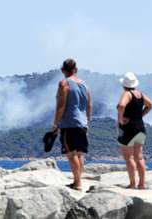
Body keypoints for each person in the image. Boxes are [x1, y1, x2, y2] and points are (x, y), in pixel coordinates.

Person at [52, 58, 92, 191]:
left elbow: (61, 105)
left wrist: (55, 123)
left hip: (69, 123)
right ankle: (77, 181)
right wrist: (88, 121)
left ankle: (78, 183)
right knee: (79, 154)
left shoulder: (64, 83)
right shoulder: (85, 85)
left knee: (71, 153)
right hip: (82, 123)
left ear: (63, 70)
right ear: (76, 69)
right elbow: (89, 105)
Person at [117, 72, 152, 189]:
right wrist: (141, 115)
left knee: (129, 158)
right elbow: (150, 105)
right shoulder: (140, 94)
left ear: (124, 85)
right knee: (139, 157)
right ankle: (141, 184)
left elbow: (122, 106)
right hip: (141, 129)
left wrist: (121, 119)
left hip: (129, 129)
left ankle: (132, 184)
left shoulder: (127, 93)